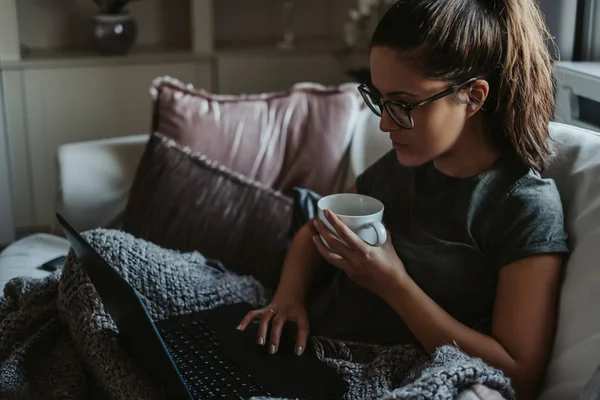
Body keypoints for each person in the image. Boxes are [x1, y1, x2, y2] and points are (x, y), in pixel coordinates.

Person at [238, 0, 570, 398]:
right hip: (299, 350)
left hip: (369, 376)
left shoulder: (522, 206)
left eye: (403, 104)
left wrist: (392, 283)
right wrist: (288, 298)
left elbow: (518, 373)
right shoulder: (402, 166)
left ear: (474, 96)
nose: (384, 122)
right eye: (379, 98)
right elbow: (316, 229)